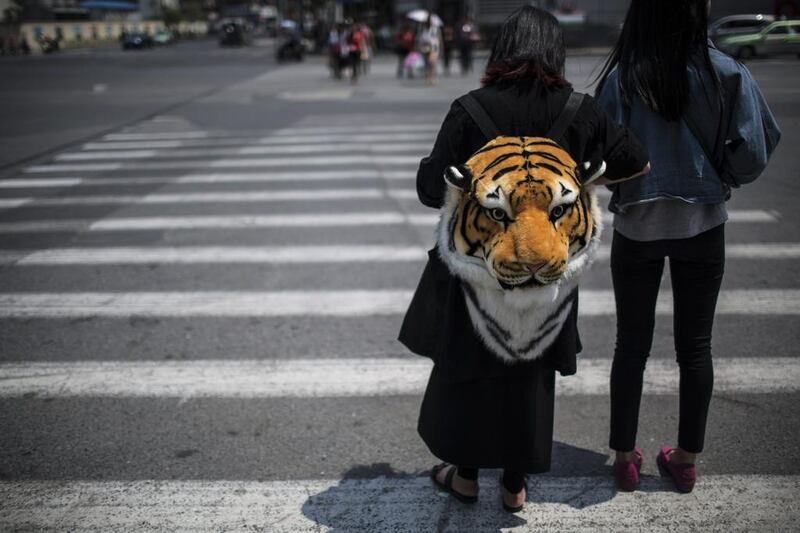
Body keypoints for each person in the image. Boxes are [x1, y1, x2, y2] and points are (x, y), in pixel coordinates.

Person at [400, 6, 649, 513]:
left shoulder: (470, 109)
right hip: (547, 274)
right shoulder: (579, 111)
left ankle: (465, 475)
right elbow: (636, 159)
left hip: (479, 272)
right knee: (530, 374)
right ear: (555, 53)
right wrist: (583, 176)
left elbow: (431, 189)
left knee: (470, 366)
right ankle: (514, 483)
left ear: (501, 50)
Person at [595, 0, 780, 493]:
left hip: (637, 226)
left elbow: (601, 158)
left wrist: (631, 186)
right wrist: (722, 175)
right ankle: (686, 460)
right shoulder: (725, 71)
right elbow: (756, 150)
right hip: (702, 222)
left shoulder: (623, 78)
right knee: (695, 347)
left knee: (630, 345)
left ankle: (623, 458)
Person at [417, 15, 441, 85]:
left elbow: (438, 39)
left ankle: (433, 78)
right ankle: (428, 77)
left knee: (432, 63)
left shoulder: (435, 29)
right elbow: (420, 39)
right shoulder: (422, 29)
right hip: (425, 47)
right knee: (427, 63)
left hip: (434, 48)